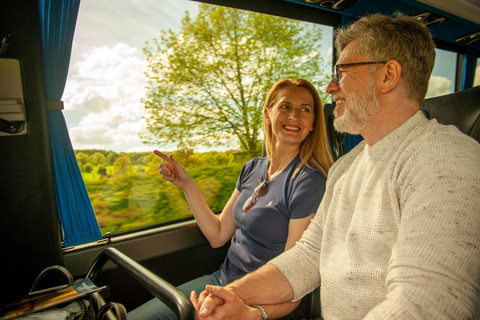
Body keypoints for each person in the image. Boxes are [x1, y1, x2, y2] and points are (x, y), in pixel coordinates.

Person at [191, 13, 480, 320]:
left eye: (341, 73)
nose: (329, 87)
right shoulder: (345, 169)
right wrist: (232, 294)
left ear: (387, 76)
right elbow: (307, 256)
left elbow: (428, 305)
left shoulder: (445, 156)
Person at [128, 78, 334, 320]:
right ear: (268, 114)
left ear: (312, 124)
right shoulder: (252, 168)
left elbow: (295, 278)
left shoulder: (308, 181)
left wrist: (249, 313)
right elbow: (218, 235)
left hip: (264, 302)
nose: (295, 116)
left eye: (305, 110)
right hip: (220, 282)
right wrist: (188, 186)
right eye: (285, 106)